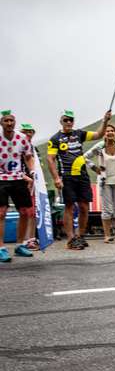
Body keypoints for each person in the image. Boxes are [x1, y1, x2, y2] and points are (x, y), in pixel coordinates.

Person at [47, 109, 111, 250]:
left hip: (82, 176)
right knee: (69, 207)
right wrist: (56, 178)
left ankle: (80, 236)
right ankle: (70, 239)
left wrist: (105, 121)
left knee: (84, 207)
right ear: (61, 121)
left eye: (71, 120)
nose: (69, 122)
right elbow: (50, 159)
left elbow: (99, 134)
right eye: (66, 120)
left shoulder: (79, 134)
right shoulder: (55, 139)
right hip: (66, 176)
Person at [84, 124, 115, 243]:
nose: (110, 133)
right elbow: (85, 157)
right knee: (107, 210)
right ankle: (106, 235)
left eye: (112, 131)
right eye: (107, 131)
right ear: (104, 134)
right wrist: (94, 168)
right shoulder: (99, 147)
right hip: (105, 182)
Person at [0, 111, 36, 262]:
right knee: (1, 213)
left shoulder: (22, 138)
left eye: (11, 121)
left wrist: (32, 171)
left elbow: (28, 156)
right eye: (6, 121)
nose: (9, 123)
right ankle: (1, 248)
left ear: (15, 123)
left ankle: (20, 245)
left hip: (18, 177)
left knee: (25, 212)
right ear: (1, 123)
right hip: (1, 179)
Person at [20, 123, 40, 251]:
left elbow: (37, 166)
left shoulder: (34, 148)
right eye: (25, 132)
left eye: (30, 132)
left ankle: (31, 239)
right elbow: (11, 166)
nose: (28, 134)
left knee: (33, 213)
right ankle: (23, 241)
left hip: (33, 183)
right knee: (24, 213)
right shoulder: (17, 147)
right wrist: (24, 177)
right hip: (20, 182)